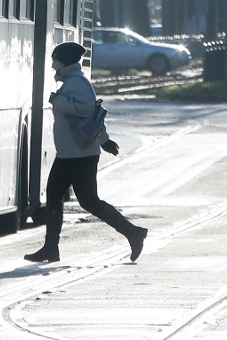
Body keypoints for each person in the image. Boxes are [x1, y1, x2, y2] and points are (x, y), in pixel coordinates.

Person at [24, 41, 148, 263]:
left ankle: (133, 232)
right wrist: (104, 141)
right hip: (71, 154)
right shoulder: (72, 81)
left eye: (56, 60)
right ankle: (51, 248)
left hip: (79, 155)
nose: (53, 65)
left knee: (88, 201)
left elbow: (86, 110)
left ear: (65, 61)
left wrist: (58, 101)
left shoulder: (77, 82)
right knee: (55, 196)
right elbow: (89, 117)